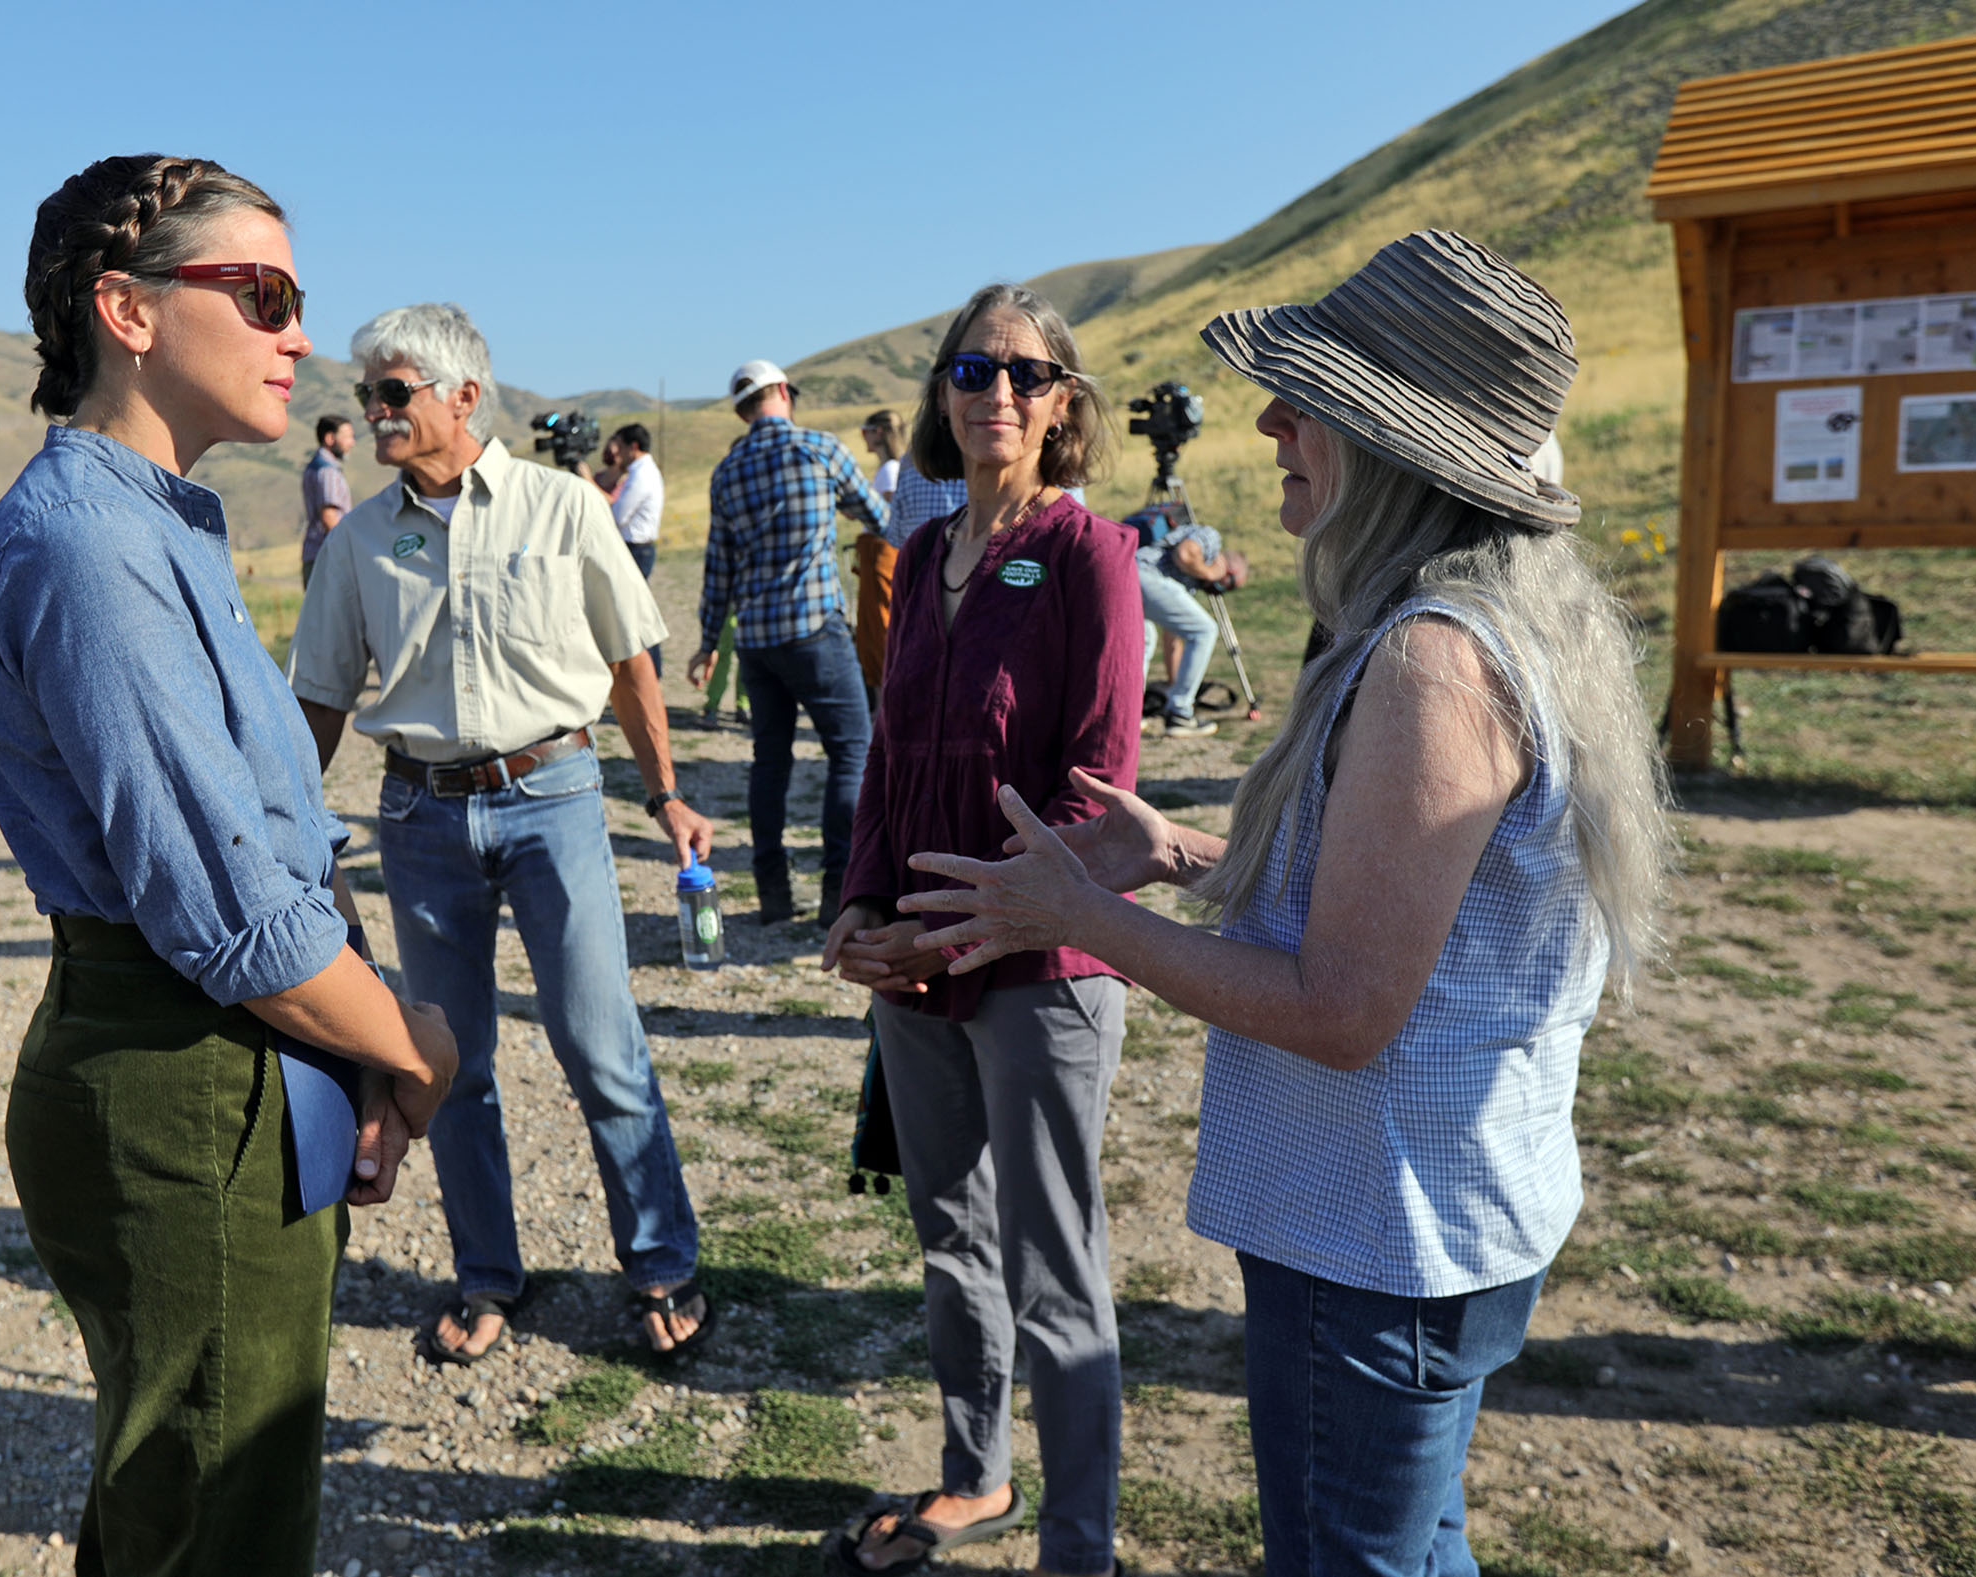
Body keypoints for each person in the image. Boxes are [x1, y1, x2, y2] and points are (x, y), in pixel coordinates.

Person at [894, 231, 1673, 1577]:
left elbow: (1344, 1005)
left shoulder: (1433, 663)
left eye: (1309, 402)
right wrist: (1185, 853)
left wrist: (1073, 911)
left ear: (1395, 442)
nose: (1270, 421)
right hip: (1438, 1223)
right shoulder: (1491, 621)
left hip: (1378, 1240)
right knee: (1417, 1546)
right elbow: (1414, 912)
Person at [0, 154, 458, 1575]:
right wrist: (415, 1047)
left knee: (198, 1494)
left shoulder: (159, 521)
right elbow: (228, 908)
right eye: (262, 293)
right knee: (213, 1514)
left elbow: (277, 829)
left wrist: (351, 1049)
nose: (299, 332)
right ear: (126, 309)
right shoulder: (86, 546)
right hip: (180, 1075)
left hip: (244, 1054)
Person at [287, 303, 718, 1363]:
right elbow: (323, 697)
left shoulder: (563, 505)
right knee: (449, 1059)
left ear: (463, 396)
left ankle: (662, 1259)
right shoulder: (357, 545)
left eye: (396, 393)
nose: (377, 413)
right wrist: (287, 825)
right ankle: (487, 1274)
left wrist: (665, 793)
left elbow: (629, 662)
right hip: (419, 814)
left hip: (555, 794)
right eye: (369, 396)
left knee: (599, 1037)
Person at [818, 283, 1141, 1577]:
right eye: (969, 369)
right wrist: (858, 907)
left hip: (1040, 966)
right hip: (914, 965)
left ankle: (1080, 1542)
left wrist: (938, 935)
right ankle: (975, 1475)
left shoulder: (1087, 556)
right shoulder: (928, 552)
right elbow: (891, 763)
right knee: (949, 1235)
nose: (993, 392)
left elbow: (1093, 781)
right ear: (942, 398)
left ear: (1063, 404)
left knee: (1054, 1261)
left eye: (1023, 373)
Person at [690, 359, 886, 926]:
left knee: (769, 761)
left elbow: (717, 567)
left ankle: (773, 895)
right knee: (852, 750)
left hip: (754, 638)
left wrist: (708, 641)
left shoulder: (727, 471)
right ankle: (838, 894)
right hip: (813, 627)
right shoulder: (820, 449)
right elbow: (877, 517)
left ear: (744, 409)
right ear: (781, 393)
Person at [1133, 506, 1230, 738]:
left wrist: (1174, 683)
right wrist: (1210, 573)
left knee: (1144, 639)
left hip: (1127, 572)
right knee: (1205, 630)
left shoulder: (1185, 579)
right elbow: (1185, 554)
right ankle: (1180, 714)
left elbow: (1173, 641)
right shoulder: (1209, 536)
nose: (1219, 588)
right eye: (1228, 583)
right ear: (1229, 566)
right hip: (1146, 575)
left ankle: (1131, 714)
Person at [850, 411, 907, 695]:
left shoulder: (891, 471)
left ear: (880, 432)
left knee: (880, 622)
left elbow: (887, 515)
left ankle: (887, 694)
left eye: (866, 431)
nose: (865, 438)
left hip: (880, 551)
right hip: (876, 551)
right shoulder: (890, 469)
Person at [608, 422, 664, 674]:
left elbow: (619, 515)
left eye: (620, 446)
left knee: (635, 612)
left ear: (633, 447)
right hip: (637, 547)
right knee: (637, 610)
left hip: (636, 549)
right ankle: (650, 669)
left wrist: (588, 482)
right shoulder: (642, 471)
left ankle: (649, 669)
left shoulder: (642, 474)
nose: (617, 452)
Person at [301, 413, 355, 586]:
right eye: (347, 437)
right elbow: (329, 516)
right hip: (327, 557)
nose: (351, 443)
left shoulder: (315, 466)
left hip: (316, 554)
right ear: (330, 438)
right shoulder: (328, 472)